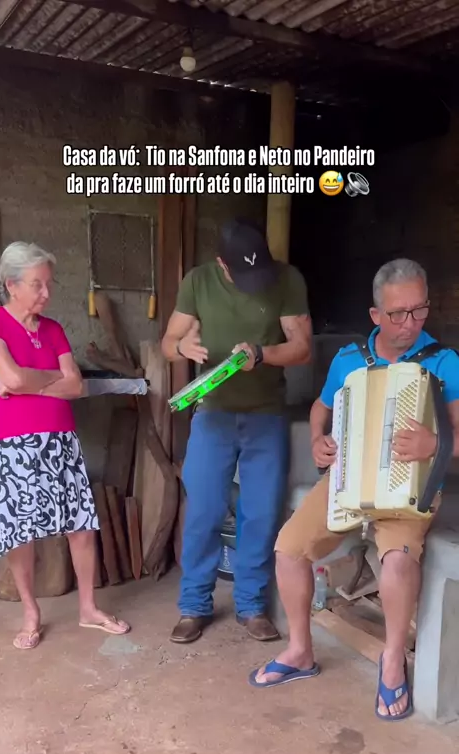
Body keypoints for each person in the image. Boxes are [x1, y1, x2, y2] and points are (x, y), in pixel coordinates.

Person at [250, 258, 459, 721]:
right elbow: (321, 408)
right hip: (346, 481)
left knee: (398, 562)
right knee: (288, 549)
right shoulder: (349, 359)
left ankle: (391, 659)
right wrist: (317, 441)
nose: (410, 323)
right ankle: (300, 650)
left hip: (410, 489)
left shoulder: (444, 362)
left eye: (419, 310)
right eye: (398, 314)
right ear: (375, 315)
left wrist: (434, 443)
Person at [161, 217, 312, 644]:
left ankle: (251, 606)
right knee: (205, 510)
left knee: (260, 513)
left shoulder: (287, 279)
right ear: (222, 264)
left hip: (266, 414)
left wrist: (262, 355)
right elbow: (167, 342)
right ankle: (194, 605)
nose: (254, 282)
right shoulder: (198, 281)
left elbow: (302, 347)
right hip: (214, 413)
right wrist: (182, 347)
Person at [0, 241, 131, 649]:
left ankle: (88, 608)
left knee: (80, 525)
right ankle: (31, 612)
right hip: (14, 446)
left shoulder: (53, 329)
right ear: (12, 285)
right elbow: (13, 379)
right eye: (37, 284)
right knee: (21, 533)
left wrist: (30, 381)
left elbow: (75, 385)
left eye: (49, 284)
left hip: (61, 441)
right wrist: (48, 379)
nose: (47, 293)